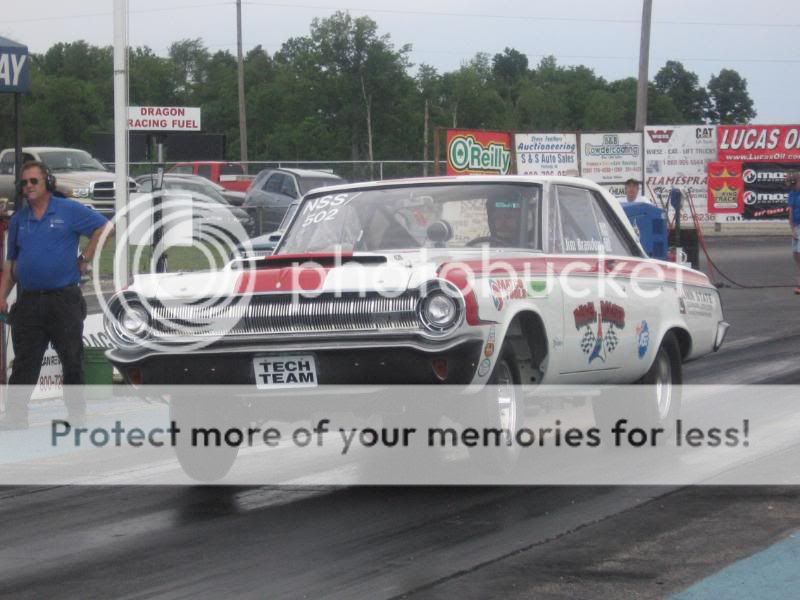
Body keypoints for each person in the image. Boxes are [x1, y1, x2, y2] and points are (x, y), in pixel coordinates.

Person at [0, 161, 111, 429]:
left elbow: (105, 227)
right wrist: (2, 295)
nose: (28, 187)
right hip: (29, 300)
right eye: (24, 183)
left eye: (33, 181)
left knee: (71, 359)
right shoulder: (18, 221)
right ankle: (15, 416)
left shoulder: (68, 210)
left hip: (63, 299)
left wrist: (85, 256)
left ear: (47, 182)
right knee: (25, 361)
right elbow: (11, 265)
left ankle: (76, 414)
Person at [787, 171, 800, 295]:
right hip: (796, 226)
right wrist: (792, 229)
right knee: (795, 253)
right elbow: (790, 211)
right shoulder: (792, 194)